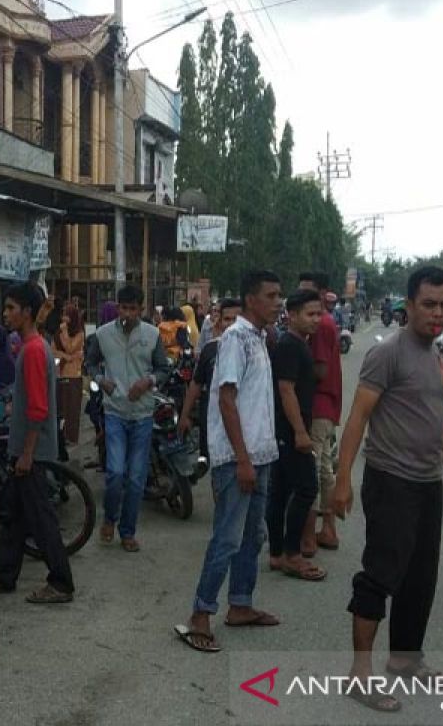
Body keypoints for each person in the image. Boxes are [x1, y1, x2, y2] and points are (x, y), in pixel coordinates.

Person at [331, 266, 443, 712]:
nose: (438, 313)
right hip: (390, 481)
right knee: (380, 576)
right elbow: (356, 418)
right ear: (409, 305)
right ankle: (360, 675)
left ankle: (404, 659)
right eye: (429, 304)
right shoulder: (388, 354)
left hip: (426, 483)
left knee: (420, 580)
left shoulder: (439, 357)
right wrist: (342, 482)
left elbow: (440, 422)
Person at [175, 271, 284, 653]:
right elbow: (226, 400)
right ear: (251, 299)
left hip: (261, 455)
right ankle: (200, 615)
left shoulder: (259, 338)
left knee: (253, 536)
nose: (277, 302)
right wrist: (241, 459)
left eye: (279, 295)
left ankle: (240, 604)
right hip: (239, 459)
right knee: (227, 538)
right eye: (270, 295)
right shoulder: (235, 339)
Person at [0, 283, 75, 604]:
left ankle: (60, 582)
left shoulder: (32, 350)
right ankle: (5, 577)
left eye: (11, 309)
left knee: (40, 518)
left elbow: (38, 408)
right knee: (12, 514)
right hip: (23, 447)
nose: (6, 315)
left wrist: (27, 453)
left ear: (27, 312)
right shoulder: (33, 345)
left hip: (31, 450)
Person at [86, 285, 171, 552]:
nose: (128, 314)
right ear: (118, 307)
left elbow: (163, 369)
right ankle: (110, 518)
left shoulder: (152, 334)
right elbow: (89, 364)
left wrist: (148, 381)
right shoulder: (102, 335)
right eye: (124, 308)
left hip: (143, 414)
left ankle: (127, 531)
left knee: (135, 478)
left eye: (133, 309)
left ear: (141, 309)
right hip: (114, 413)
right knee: (115, 473)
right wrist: (101, 380)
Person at [266, 289, 326, 581]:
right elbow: (285, 389)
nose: (316, 319)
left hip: (285, 430)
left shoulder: (297, 343)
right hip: (290, 431)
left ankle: (277, 553)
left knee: (279, 492)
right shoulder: (290, 345)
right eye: (310, 314)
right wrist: (301, 432)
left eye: (319, 313)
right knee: (306, 488)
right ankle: (292, 554)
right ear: (292, 315)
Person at [297, 272, 344, 555]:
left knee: (311, 470)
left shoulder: (320, 324)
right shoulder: (324, 322)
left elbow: (320, 370)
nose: (301, 297)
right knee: (324, 468)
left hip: (318, 405)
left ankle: (309, 537)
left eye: (308, 292)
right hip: (326, 405)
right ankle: (328, 528)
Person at [180, 298, 241, 461]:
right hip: (212, 413)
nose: (231, 324)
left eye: (236, 319)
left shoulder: (253, 350)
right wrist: (185, 415)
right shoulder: (210, 349)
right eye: (227, 319)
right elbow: (196, 384)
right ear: (219, 322)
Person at [54, 304, 86, 445]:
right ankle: (61, 436)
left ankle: (71, 437)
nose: (64, 318)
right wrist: (67, 356)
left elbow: (70, 347)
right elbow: (53, 351)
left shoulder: (79, 333)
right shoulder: (58, 333)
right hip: (60, 374)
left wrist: (65, 332)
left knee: (72, 409)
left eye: (67, 315)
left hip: (74, 376)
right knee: (61, 408)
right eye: (63, 314)